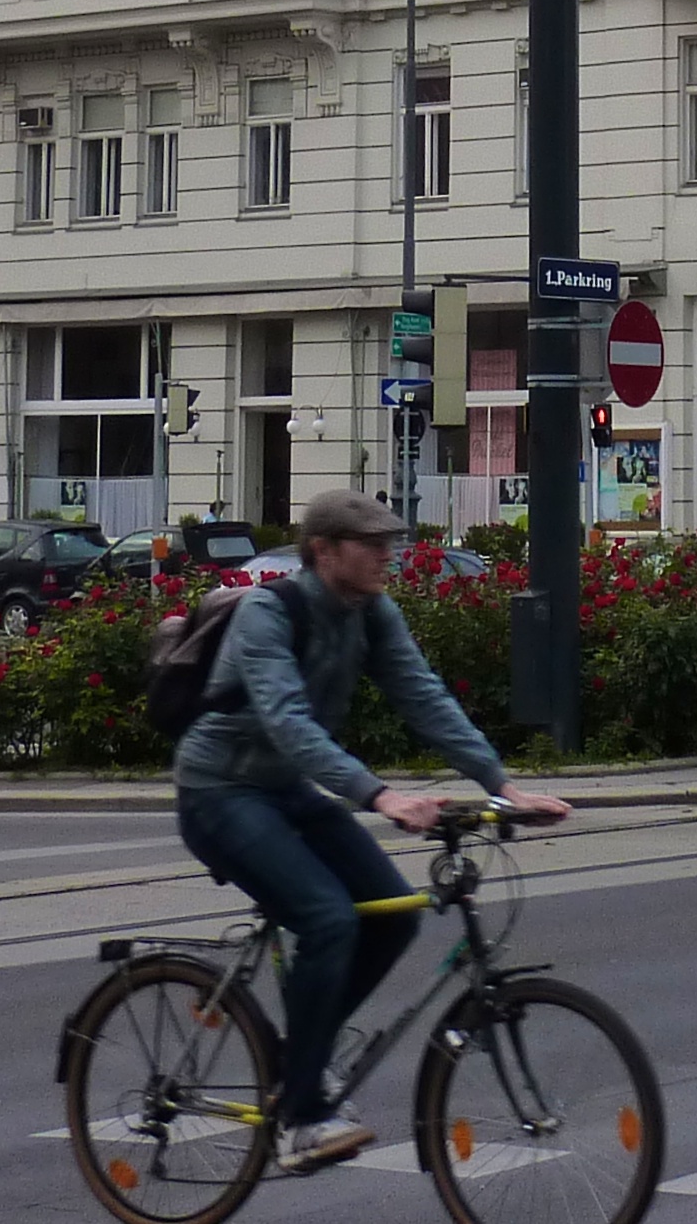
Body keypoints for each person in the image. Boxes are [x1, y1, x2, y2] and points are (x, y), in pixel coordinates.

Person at [171, 488, 567, 1176]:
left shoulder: (372, 611)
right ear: (323, 551)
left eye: (391, 543)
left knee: (391, 916)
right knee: (329, 920)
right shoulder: (269, 612)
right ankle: (301, 1118)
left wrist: (499, 787)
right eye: (373, 544)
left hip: (285, 791)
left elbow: (423, 696)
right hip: (219, 791)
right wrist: (380, 796)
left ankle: (301, 1060)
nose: (388, 556)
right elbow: (286, 721)